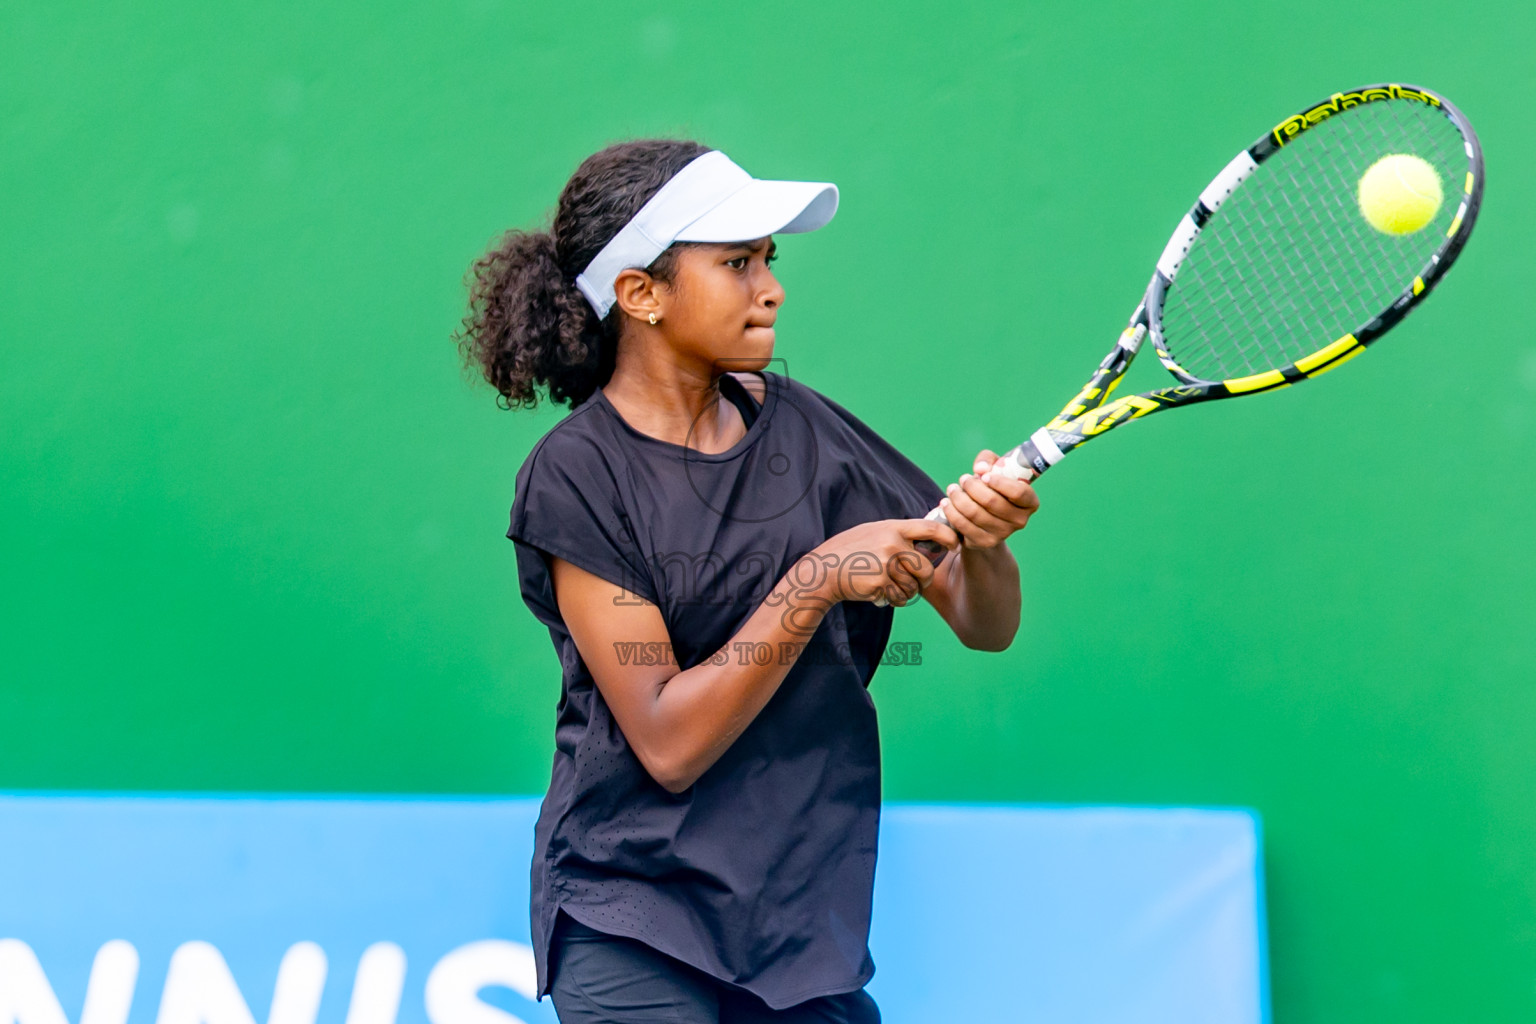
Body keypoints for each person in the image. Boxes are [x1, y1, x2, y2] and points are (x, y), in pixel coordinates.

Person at [455, 139, 1040, 1023]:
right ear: (641, 294)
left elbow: (981, 619)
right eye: (735, 263)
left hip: (803, 926)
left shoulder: (804, 427)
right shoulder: (577, 476)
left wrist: (986, 543)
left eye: (768, 259)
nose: (770, 286)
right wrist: (818, 579)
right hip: (636, 921)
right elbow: (665, 739)